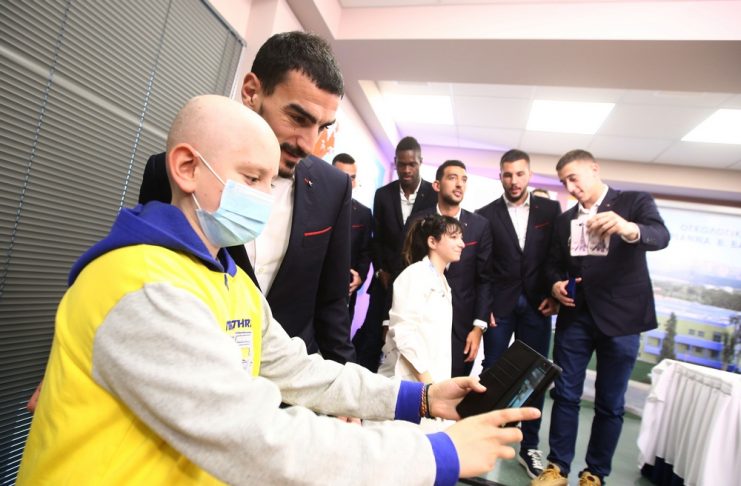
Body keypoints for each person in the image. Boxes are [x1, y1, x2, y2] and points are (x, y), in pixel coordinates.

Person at [18, 95, 540, 485]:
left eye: (270, 183)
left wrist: (421, 398)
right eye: (251, 178)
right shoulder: (141, 284)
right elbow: (257, 438)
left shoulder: (226, 279)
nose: (265, 199)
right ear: (186, 167)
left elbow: (300, 370)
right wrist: (439, 455)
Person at [138, 31, 355, 364]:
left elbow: (332, 305)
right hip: (193, 364)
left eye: (323, 127)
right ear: (252, 91)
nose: (309, 144)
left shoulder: (334, 188)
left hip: (288, 376)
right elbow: (147, 273)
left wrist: (346, 385)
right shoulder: (176, 170)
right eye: (298, 119)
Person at [533, 149, 670, 486]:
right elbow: (552, 264)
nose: (570, 187)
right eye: (564, 182)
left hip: (622, 321)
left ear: (594, 169)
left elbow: (660, 235)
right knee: (565, 395)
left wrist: (628, 228)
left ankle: (594, 473)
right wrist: (554, 285)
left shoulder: (633, 202)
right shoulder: (564, 220)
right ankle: (557, 467)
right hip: (575, 318)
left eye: (574, 178)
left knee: (610, 403)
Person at [476, 149, 561, 478]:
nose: (514, 180)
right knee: (493, 370)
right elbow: (483, 268)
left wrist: (553, 293)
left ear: (529, 175)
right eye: (508, 174)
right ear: (500, 176)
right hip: (500, 306)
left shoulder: (550, 210)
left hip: (539, 305)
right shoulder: (486, 215)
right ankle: (484, 436)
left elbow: (556, 257)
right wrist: (485, 307)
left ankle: (529, 447)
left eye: (520, 174)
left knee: (536, 375)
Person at [353, 136, 437, 371]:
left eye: (412, 164)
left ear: (420, 162)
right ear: (396, 163)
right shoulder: (383, 195)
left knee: (408, 344)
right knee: (372, 340)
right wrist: (380, 271)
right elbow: (377, 238)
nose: (407, 170)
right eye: (402, 164)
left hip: (417, 285)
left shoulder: (433, 195)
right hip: (385, 281)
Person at [408, 160, 493, 378]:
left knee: (454, 386)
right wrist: (388, 322)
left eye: (464, 179)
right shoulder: (418, 221)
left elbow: (484, 279)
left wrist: (478, 327)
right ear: (437, 185)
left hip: (460, 325)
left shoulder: (479, 226)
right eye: (452, 178)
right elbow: (403, 267)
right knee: (420, 386)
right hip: (420, 322)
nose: (459, 184)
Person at [379, 214, 464, 384]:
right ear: (432, 242)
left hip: (431, 382)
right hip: (410, 383)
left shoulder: (442, 281)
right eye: (454, 237)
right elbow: (403, 334)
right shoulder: (415, 275)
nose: (462, 244)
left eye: (461, 238)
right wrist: (428, 383)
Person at [332, 153, 373, 321]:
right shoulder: (314, 206)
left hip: (345, 292)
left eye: (353, 177)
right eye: (343, 177)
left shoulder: (364, 214)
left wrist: (360, 277)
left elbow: (366, 251)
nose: (349, 182)